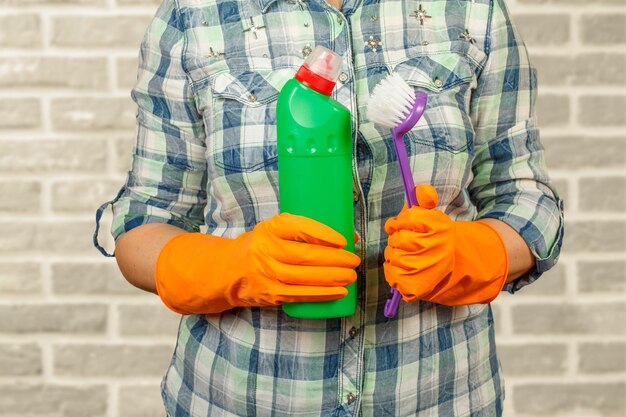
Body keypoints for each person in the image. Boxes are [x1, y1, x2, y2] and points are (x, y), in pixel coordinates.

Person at [94, 0, 564, 415]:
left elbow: (527, 198)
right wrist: (231, 267)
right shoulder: (193, 16)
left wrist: (474, 253)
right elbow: (143, 220)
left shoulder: (472, 10)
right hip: (237, 398)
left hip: (441, 396)